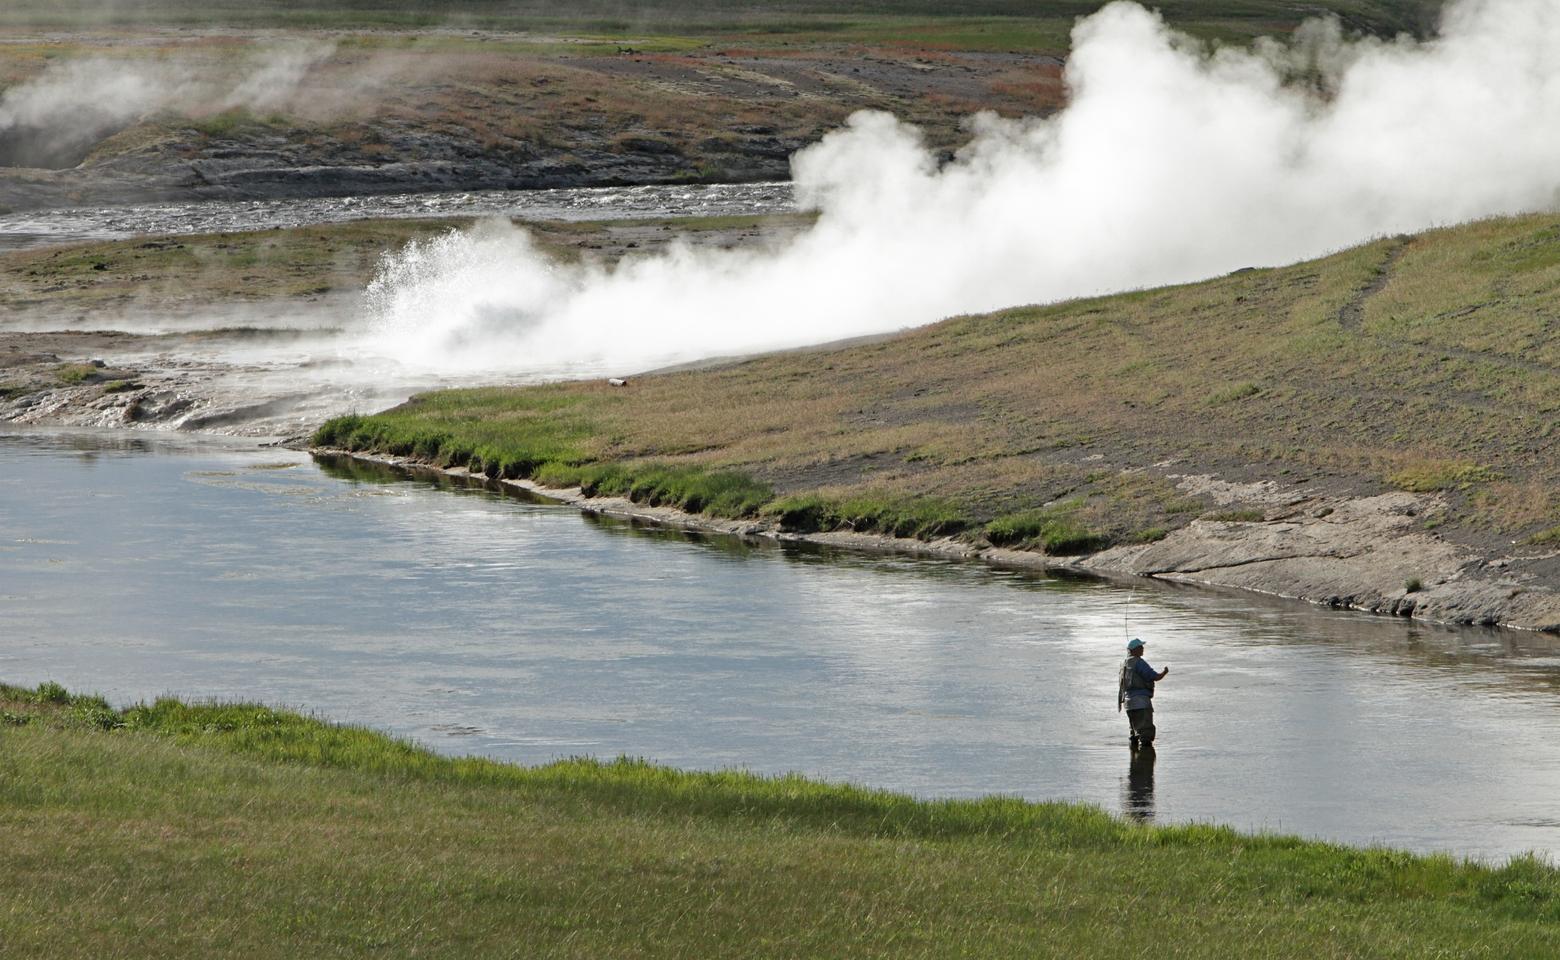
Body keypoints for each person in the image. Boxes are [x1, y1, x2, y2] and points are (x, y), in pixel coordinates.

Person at [1117, 637, 1168, 751]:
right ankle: (1145, 763)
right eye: (1140, 647)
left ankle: (1134, 763)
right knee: (1146, 735)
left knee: (1134, 734)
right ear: (1134, 650)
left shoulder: (1123, 663)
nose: (1143, 649)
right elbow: (1154, 676)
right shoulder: (1139, 662)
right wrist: (1164, 672)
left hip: (1128, 704)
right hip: (1141, 703)